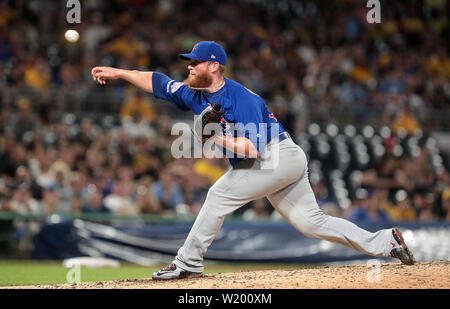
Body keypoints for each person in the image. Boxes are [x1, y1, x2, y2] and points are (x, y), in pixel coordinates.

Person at [91, 41, 415, 280]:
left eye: (195, 63)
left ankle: (188, 262)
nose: (189, 67)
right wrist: (119, 72)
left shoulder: (241, 98)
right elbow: (158, 82)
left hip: (278, 155)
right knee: (311, 223)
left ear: (214, 66)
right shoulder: (193, 92)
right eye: (189, 62)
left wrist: (214, 137)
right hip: (278, 160)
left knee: (218, 194)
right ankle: (386, 241)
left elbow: (253, 150)